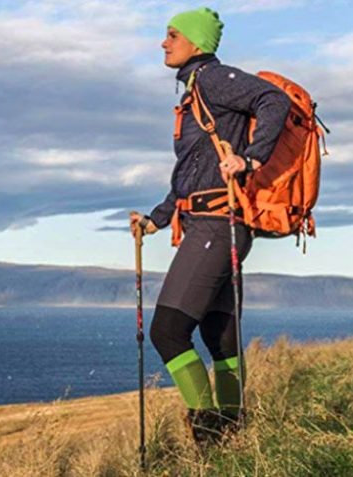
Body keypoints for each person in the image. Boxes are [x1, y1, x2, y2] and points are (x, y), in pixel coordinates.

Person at [130, 7, 291, 445]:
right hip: (213, 222)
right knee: (217, 336)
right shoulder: (193, 94)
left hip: (218, 226)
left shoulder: (213, 80)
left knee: (168, 331)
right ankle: (235, 435)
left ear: (197, 44)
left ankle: (209, 435)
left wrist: (252, 157)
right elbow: (190, 174)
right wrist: (156, 220)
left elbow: (274, 100)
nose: (164, 43)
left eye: (172, 35)